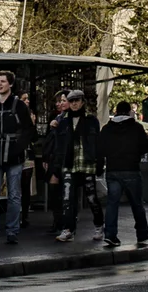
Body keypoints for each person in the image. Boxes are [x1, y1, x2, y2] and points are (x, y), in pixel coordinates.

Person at [0, 69, 33, 246]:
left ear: (10, 84)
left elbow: (27, 130)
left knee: (14, 195)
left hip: (14, 158)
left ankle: (12, 231)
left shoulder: (19, 106)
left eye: (2, 81)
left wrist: (18, 148)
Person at [96, 101, 148, 247]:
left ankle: (110, 234)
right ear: (128, 112)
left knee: (112, 203)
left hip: (113, 170)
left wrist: (101, 166)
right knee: (137, 203)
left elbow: (100, 149)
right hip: (131, 169)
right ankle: (142, 232)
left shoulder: (107, 128)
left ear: (115, 111)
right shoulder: (136, 127)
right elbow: (146, 146)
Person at [50, 89, 103, 242]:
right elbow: (59, 147)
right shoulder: (63, 121)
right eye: (71, 101)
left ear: (82, 102)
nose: (74, 104)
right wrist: (57, 165)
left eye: (77, 101)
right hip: (69, 163)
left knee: (91, 196)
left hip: (86, 162)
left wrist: (99, 162)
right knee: (67, 198)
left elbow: (97, 143)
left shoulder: (91, 120)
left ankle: (99, 225)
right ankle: (68, 229)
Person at [39, 89, 70, 233]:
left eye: (63, 101)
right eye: (59, 101)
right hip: (54, 157)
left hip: (66, 158)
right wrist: (46, 156)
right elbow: (49, 140)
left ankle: (66, 221)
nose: (60, 104)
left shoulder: (70, 119)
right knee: (53, 189)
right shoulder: (56, 118)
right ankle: (57, 220)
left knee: (66, 191)